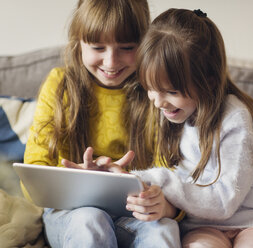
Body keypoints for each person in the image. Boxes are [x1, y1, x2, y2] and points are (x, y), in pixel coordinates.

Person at [126, 8, 253, 248]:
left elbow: (223, 201)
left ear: (207, 81)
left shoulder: (236, 118)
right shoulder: (171, 114)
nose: (157, 101)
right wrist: (125, 179)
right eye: (150, 88)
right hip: (202, 226)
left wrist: (151, 179)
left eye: (171, 92)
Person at [23, 0, 182, 247]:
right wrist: (79, 182)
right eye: (98, 47)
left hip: (137, 214)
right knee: (90, 219)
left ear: (145, 44)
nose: (110, 62)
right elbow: (33, 176)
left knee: (164, 228)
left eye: (127, 47)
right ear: (79, 43)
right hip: (70, 214)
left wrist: (165, 205)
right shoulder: (60, 86)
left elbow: (174, 175)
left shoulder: (159, 92)